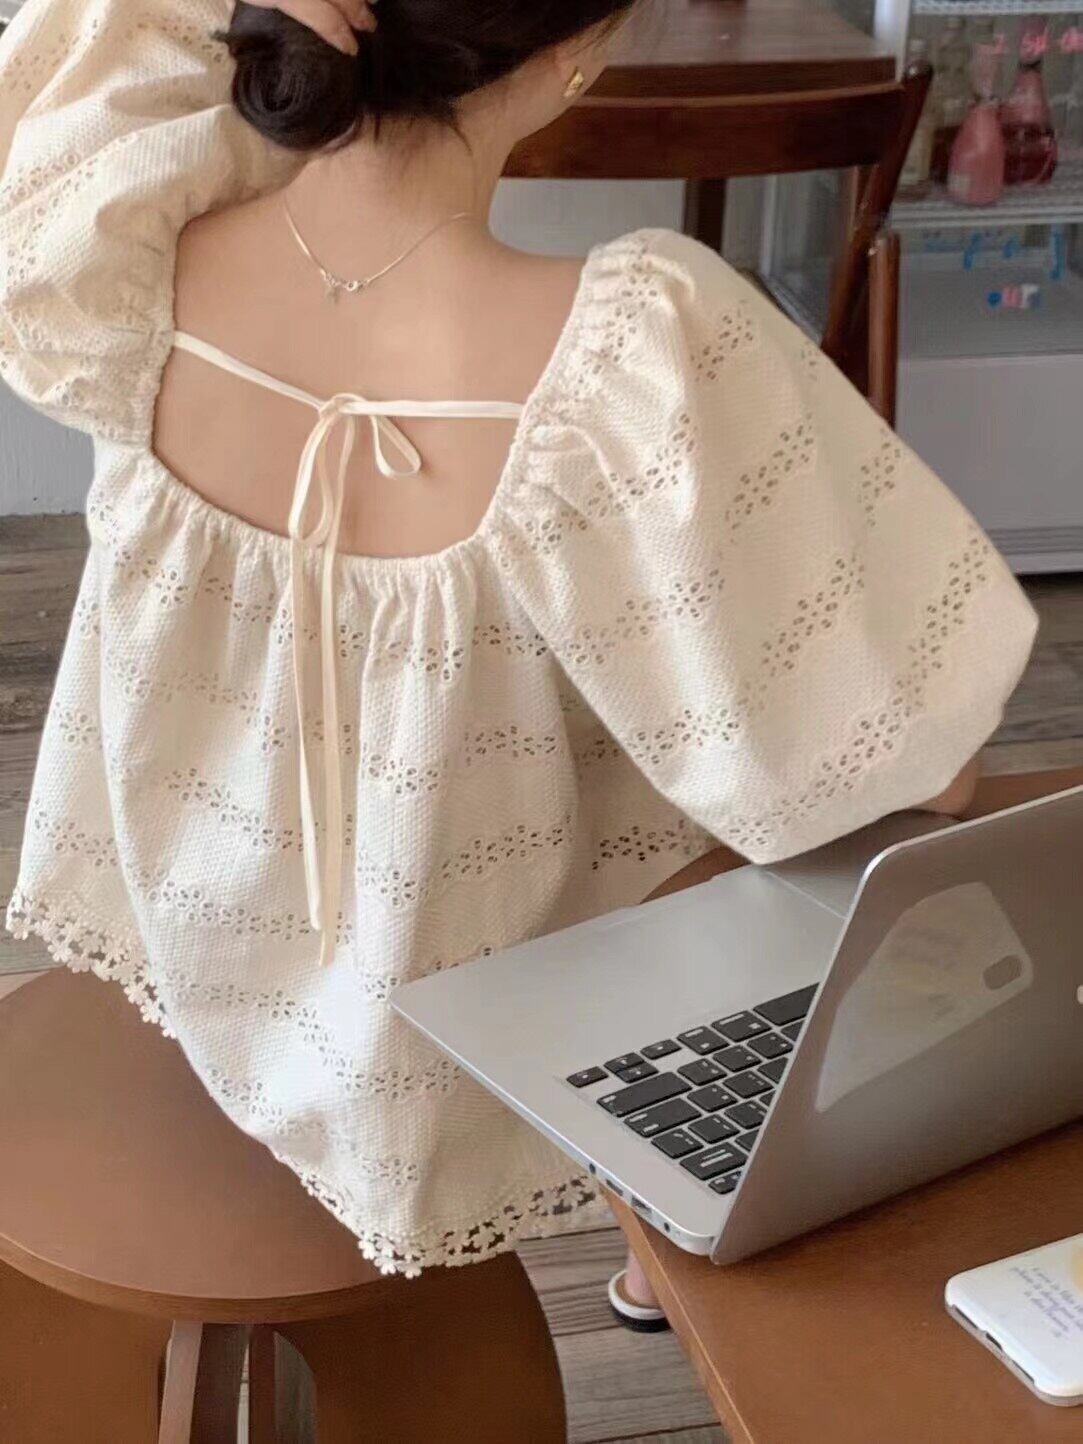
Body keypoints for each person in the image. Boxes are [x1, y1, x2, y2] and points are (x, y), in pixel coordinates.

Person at [0, 0, 1037, 1327]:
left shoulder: (124, 249)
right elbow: (918, 761)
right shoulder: (631, 350)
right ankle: (673, 1223)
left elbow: (80, 51)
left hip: (190, 928)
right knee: (819, 806)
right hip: (449, 1039)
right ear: (577, 56)